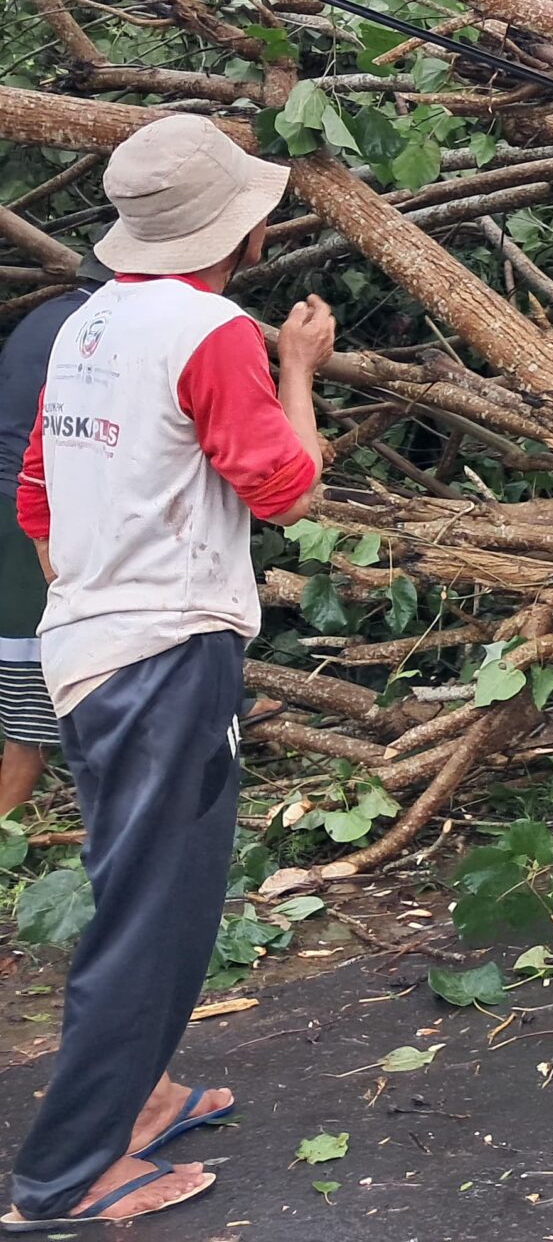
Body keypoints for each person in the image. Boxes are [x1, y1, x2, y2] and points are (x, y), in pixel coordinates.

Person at [7, 115, 335, 1229]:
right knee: (156, 918)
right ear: (239, 233)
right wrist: (299, 369)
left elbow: (38, 503)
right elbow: (285, 488)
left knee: (132, 889)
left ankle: (139, 1104)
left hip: (85, 649)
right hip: (163, 658)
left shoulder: (83, 327)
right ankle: (64, 1175)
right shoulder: (214, 333)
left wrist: (100, 590)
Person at [0, 253, 111, 822]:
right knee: (30, 705)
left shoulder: (51, 315)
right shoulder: (93, 330)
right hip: (22, 509)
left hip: (13, 502)